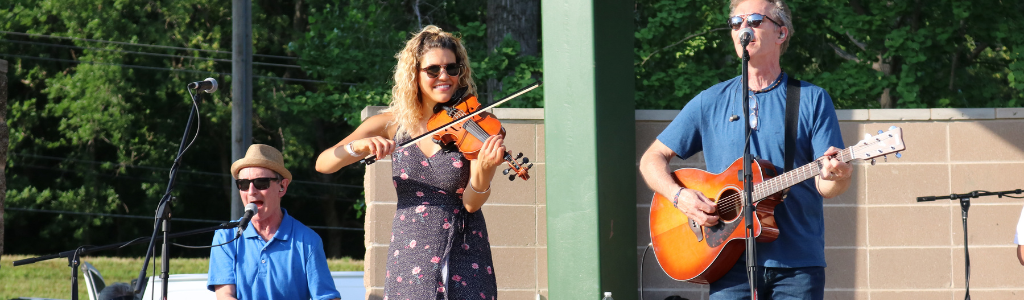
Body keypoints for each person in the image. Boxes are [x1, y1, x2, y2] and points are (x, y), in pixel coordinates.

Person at [638, 0, 853, 299]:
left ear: (781, 34)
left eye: (754, 20)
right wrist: (680, 197)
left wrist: (837, 176)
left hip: (797, 264)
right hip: (726, 262)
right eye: (736, 23)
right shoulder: (709, 101)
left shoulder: (812, 99)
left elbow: (826, 186)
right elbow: (651, 159)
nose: (743, 29)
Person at [315, 25, 504, 299]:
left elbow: (472, 203)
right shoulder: (392, 124)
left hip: (464, 247)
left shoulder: (471, 125)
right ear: (414, 74)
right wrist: (358, 147)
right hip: (410, 251)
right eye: (433, 70)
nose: (444, 76)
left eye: (452, 68)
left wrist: (485, 172)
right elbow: (324, 163)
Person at [208, 144, 341, 300]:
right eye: (243, 184)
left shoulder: (308, 241)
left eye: (261, 183)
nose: (251, 191)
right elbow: (225, 297)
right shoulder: (225, 237)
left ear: (282, 187)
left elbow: (328, 297)